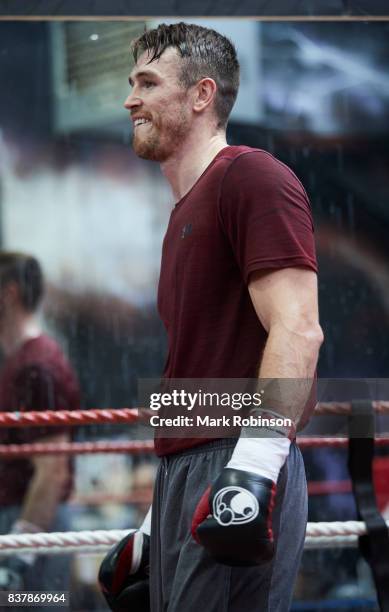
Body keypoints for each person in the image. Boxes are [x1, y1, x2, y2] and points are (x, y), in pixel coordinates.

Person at [99, 22, 323, 612]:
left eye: (147, 82)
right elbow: (200, 379)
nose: (130, 99)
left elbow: (298, 329)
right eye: (131, 83)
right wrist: (153, 524)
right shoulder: (183, 214)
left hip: (239, 457)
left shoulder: (251, 178)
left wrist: (251, 470)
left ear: (201, 95)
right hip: (191, 468)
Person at [0, 252, 80, 595]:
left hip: (32, 523)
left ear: (10, 293)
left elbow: (52, 471)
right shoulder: (24, 361)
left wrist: (19, 556)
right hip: (26, 521)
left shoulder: (37, 365)